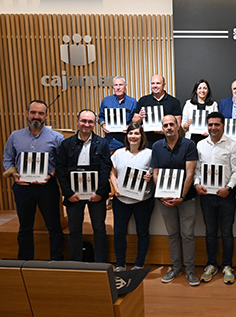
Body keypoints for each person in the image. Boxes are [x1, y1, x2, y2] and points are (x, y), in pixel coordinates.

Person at [2, 100, 64, 260]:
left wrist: (50, 175)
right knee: (25, 227)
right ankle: (25, 262)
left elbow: (62, 161)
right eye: (33, 112)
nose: (37, 116)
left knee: (54, 227)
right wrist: (14, 174)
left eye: (41, 113)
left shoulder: (57, 137)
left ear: (46, 116)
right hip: (23, 188)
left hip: (47, 187)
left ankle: (56, 262)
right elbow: (7, 158)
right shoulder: (15, 136)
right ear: (27, 114)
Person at [56, 109, 112, 262]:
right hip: (74, 195)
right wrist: (68, 193)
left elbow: (105, 168)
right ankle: (76, 263)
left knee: (99, 228)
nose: (86, 124)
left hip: (97, 195)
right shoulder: (66, 144)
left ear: (95, 124)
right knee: (74, 230)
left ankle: (101, 263)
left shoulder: (102, 143)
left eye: (90, 121)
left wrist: (100, 192)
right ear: (77, 121)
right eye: (83, 121)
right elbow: (61, 170)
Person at [151, 115, 199, 285]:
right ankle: (176, 267)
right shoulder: (157, 146)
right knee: (172, 234)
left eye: (172, 124)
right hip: (164, 200)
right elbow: (155, 173)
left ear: (178, 125)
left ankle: (191, 271)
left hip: (186, 199)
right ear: (162, 128)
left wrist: (182, 196)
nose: (169, 127)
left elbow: (190, 173)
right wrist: (162, 193)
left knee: (187, 235)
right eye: (166, 125)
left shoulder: (189, 145)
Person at [194, 112, 236, 285]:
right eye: (210, 124)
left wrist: (228, 188)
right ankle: (211, 264)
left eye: (217, 124)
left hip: (226, 196)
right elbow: (197, 169)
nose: (213, 128)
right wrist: (196, 184)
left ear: (223, 125)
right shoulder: (199, 145)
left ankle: (227, 266)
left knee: (227, 232)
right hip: (206, 196)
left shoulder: (233, 146)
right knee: (210, 232)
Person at [109, 124, 154, 271]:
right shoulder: (118, 153)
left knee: (142, 232)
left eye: (136, 133)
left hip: (143, 200)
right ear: (126, 136)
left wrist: (150, 176)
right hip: (121, 200)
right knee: (119, 232)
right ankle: (120, 264)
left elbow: (154, 173)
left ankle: (139, 264)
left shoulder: (150, 154)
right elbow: (113, 174)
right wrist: (116, 190)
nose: (133, 136)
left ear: (142, 136)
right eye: (130, 133)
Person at [133, 74, 182, 146]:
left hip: (168, 141)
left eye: (158, 83)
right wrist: (139, 117)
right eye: (153, 83)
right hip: (147, 141)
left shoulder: (174, 101)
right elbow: (134, 122)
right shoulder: (143, 100)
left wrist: (165, 130)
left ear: (164, 85)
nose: (155, 86)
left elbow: (178, 124)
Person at [98, 76, 137, 151]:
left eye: (121, 85)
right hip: (109, 142)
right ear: (113, 87)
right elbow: (101, 117)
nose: (118, 88)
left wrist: (129, 127)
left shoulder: (133, 102)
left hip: (126, 142)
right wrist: (103, 124)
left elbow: (135, 121)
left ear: (125, 86)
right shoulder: (106, 101)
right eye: (116, 85)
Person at [181, 79, 218, 143]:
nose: (202, 90)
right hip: (192, 138)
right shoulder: (189, 104)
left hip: (208, 138)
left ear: (208, 91)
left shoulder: (213, 105)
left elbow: (216, 122)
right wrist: (188, 125)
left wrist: (210, 132)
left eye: (205, 88)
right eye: (200, 88)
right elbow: (183, 124)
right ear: (196, 90)